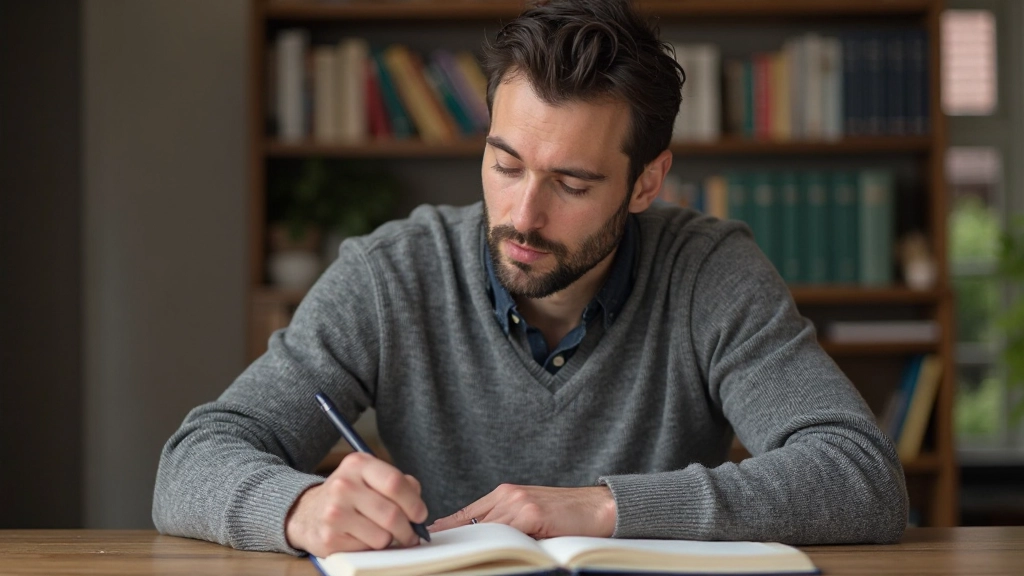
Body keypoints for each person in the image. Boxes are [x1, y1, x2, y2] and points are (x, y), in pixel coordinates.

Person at [153, 0, 908, 557]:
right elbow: (194, 459)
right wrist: (300, 507)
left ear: (646, 183)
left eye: (572, 185)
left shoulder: (709, 273)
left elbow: (860, 478)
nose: (523, 214)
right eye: (505, 164)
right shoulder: (392, 274)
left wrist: (603, 509)